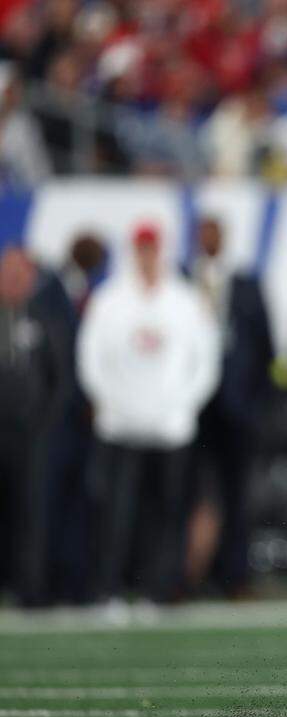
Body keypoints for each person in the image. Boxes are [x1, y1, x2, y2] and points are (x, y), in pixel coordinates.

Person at [78, 222, 220, 606]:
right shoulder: (109, 300)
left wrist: (182, 406)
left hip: (171, 426)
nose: (147, 257)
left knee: (168, 513)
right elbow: (91, 361)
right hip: (120, 426)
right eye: (141, 249)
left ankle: (159, 591)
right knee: (116, 513)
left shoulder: (185, 300)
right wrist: (113, 403)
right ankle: (109, 589)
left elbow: (205, 361)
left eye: (152, 249)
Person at [185, 216, 274, 596]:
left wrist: (256, 402)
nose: (208, 237)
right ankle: (187, 575)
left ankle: (234, 576)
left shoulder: (246, 283)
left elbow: (264, 345)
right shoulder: (181, 280)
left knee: (237, 494)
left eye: (214, 230)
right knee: (186, 494)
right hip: (190, 407)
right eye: (203, 231)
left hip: (236, 407)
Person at [0, 244, 75, 605]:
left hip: (34, 435)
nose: (13, 279)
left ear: (31, 277)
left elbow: (62, 378)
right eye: (7, 272)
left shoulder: (48, 317)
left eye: (20, 272)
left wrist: (46, 424)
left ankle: (31, 587)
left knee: (33, 513)